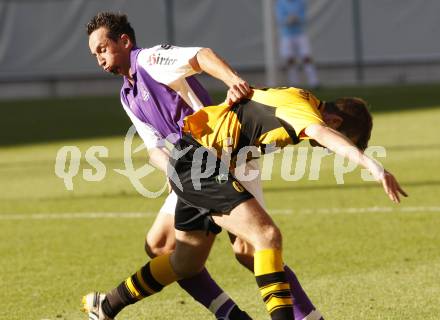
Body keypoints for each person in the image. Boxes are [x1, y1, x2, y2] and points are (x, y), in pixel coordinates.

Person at [81, 86, 407, 320]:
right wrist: (373, 167)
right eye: (341, 137)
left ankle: (106, 306)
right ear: (335, 123)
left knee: (185, 264)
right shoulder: (305, 113)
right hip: (201, 162)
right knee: (266, 237)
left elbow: (248, 105)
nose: (324, 147)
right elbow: (322, 135)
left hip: (198, 157)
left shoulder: (298, 94)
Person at [84, 12, 322, 320]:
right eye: (94, 54)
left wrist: (233, 81)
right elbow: (154, 148)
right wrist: (172, 171)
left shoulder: (150, 60)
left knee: (251, 251)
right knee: (160, 245)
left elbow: (201, 56)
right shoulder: (127, 95)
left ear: (124, 41)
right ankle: (230, 316)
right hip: (190, 167)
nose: (99, 58)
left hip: (225, 157)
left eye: (102, 48)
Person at [276, 0, 319, 88]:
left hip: (300, 33)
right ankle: (294, 83)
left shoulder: (300, 2)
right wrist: (288, 20)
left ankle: (314, 82)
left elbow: (304, 17)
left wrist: (297, 19)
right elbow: (280, 19)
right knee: (290, 59)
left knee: (306, 57)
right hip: (287, 35)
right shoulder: (280, 3)